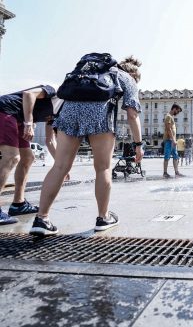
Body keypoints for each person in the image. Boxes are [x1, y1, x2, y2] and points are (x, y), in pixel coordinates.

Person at [29, 56, 144, 236]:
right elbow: (132, 115)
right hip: (100, 117)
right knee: (103, 168)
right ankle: (103, 217)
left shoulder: (92, 70)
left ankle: (41, 219)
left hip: (69, 113)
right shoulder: (128, 78)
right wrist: (138, 144)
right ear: (134, 74)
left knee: (59, 166)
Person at [0, 85, 63, 225]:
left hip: (18, 119)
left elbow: (50, 140)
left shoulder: (60, 112)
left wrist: (62, 166)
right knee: (12, 157)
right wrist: (29, 123)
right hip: (5, 110)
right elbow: (28, 94)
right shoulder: (55, 91)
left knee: (28, 158)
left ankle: (18, 204)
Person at [163, 103, 183, 178]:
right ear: (174, 109)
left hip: (172, 140)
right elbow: (169, 129)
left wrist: (174, 140)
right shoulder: (168, 117)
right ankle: (165, 173)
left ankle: (176, 172)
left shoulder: (171, 117)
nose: (177, 113)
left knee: (176, 156)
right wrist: (173, 140)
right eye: (177, 111)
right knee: (167, 156)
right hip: (169, 140)